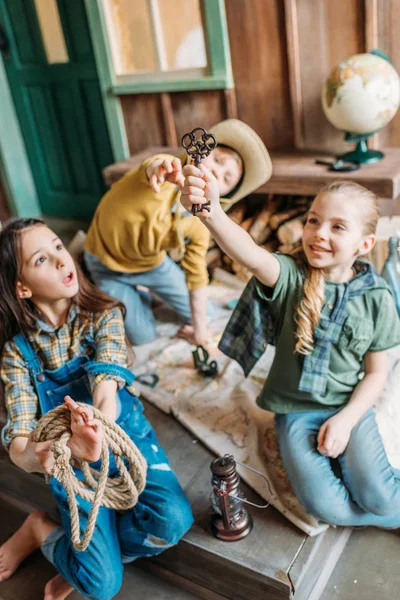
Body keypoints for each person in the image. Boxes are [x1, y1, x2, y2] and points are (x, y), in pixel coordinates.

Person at [180, 168, 400, 529]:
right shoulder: (291, 275)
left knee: (380, 496)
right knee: (331, 509)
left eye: (338, 227)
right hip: (294, 411)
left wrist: (345, 421)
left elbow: (377, 373)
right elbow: (251, 254)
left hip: (349, 405)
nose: (319, 234)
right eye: (314, 220)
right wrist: (211, 213)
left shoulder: (377, 297)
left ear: (365, 244)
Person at [0, 218, 193, 600]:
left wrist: (96, 434)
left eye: (58, 247)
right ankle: (40, 530)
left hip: (122, 434)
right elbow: (20, 447)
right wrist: (56, 454)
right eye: (41, 260)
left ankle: (87, 554)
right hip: (69, 462)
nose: (60, 260)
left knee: (172, 520)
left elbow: (106, 390)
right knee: (102, 587)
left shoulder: (103, 314)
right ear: (21, 288)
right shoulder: (16, 355)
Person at [83, 119, 272, 347]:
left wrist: (200, 332)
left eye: (225, 178)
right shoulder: (167, 169)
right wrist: (160, 169)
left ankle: (143, 291)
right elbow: (154, 166)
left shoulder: (201, 222)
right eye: (218, 160)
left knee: (206, 315)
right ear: (203, 150)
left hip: (151, 264)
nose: (216, 170)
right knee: (143, 336)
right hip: (106, 264)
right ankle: (134, 293)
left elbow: (196, 274)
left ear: (223, 194)